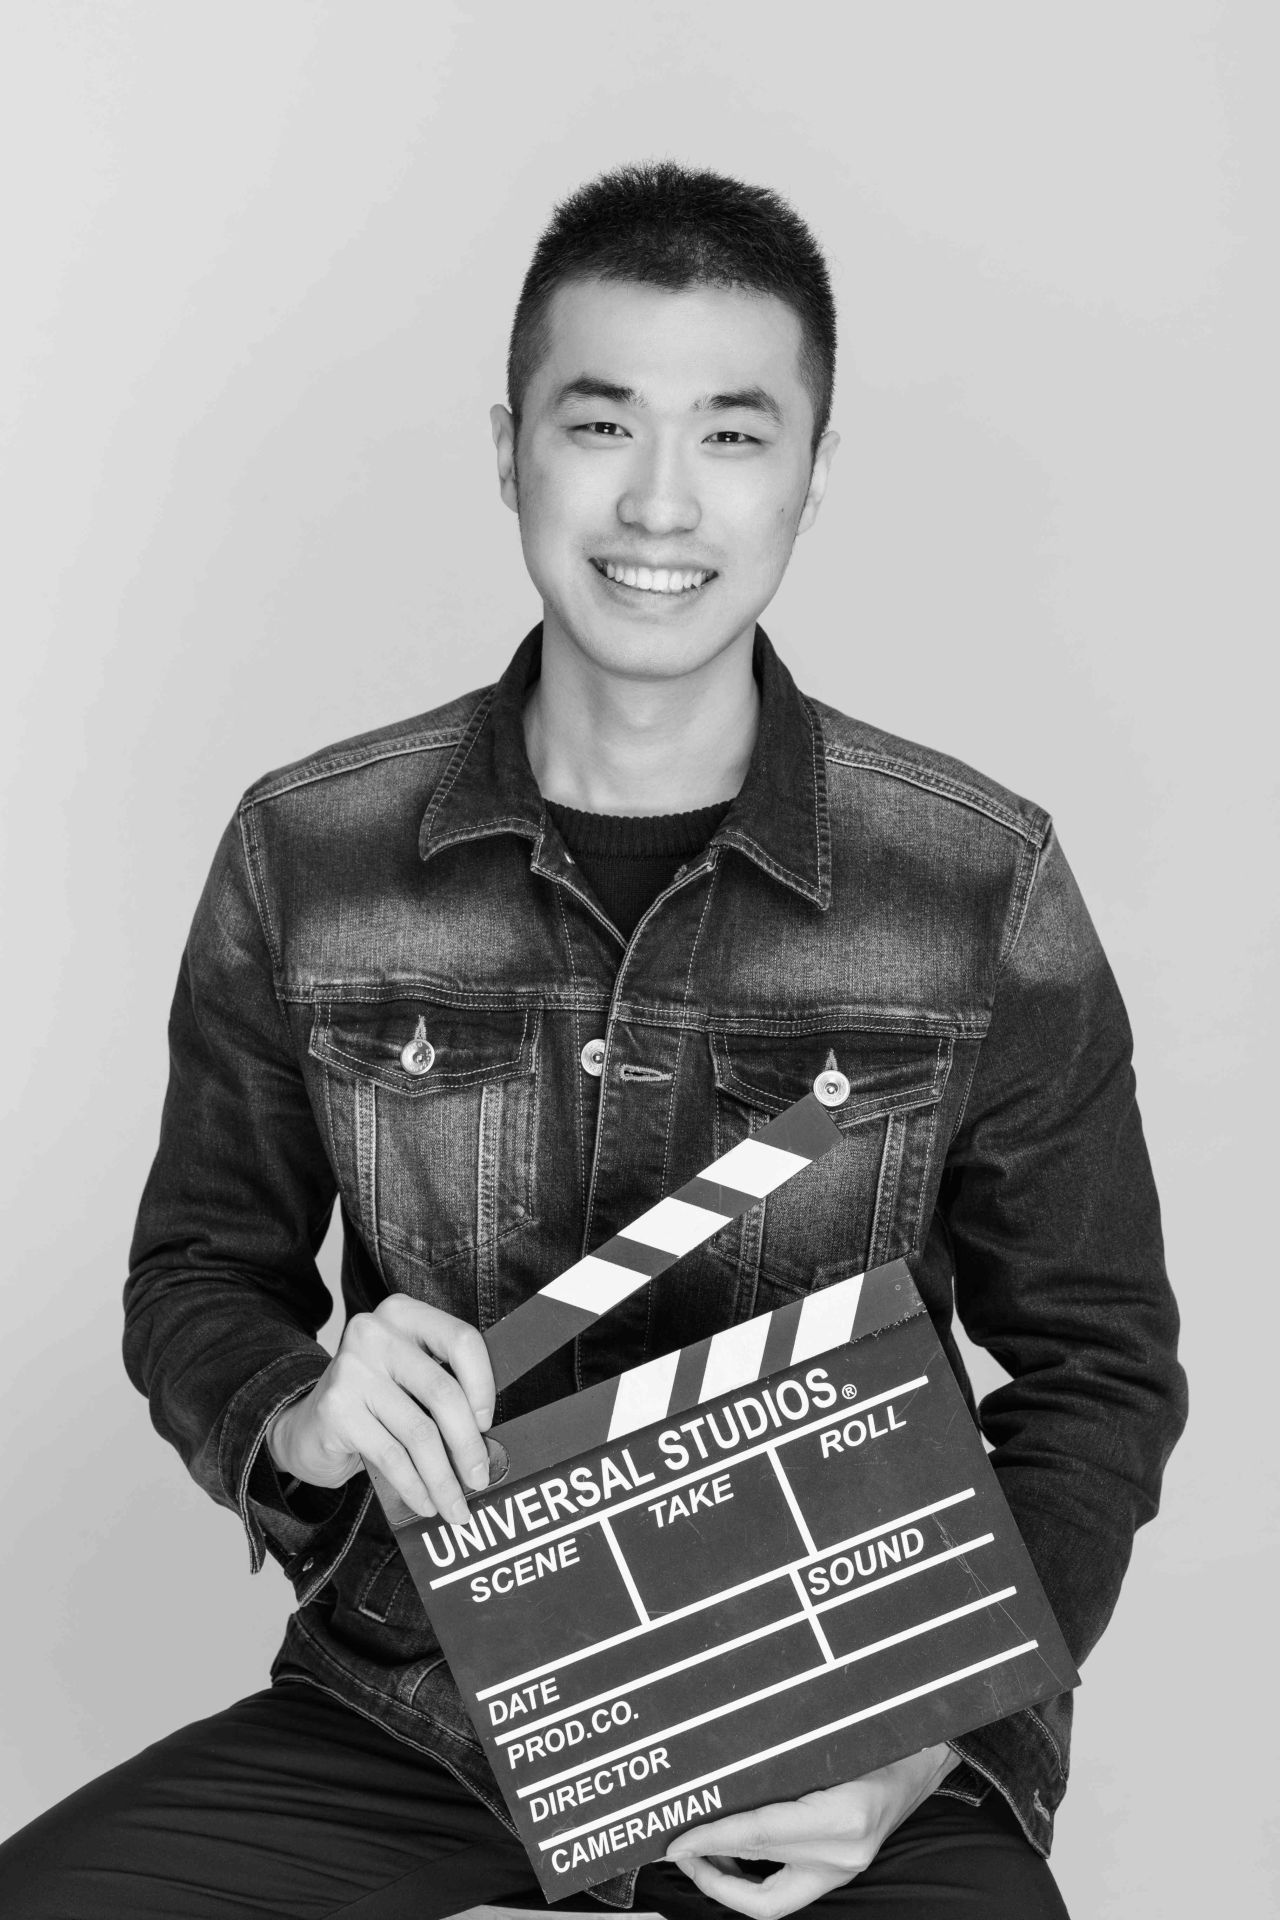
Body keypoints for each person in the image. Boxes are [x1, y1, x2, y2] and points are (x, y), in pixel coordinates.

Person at [0, 162, 1186, 1919]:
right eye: (602, 421)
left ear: (811, 473)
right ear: (511, 452)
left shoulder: (978, 884)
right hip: (422, 1710)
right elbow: (196, 1273)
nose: (659, 500)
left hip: (832, 1728)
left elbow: (1100, 1367)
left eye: (733, 433)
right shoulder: (306, 854)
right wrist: (303, 1416)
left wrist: (932, 1734)